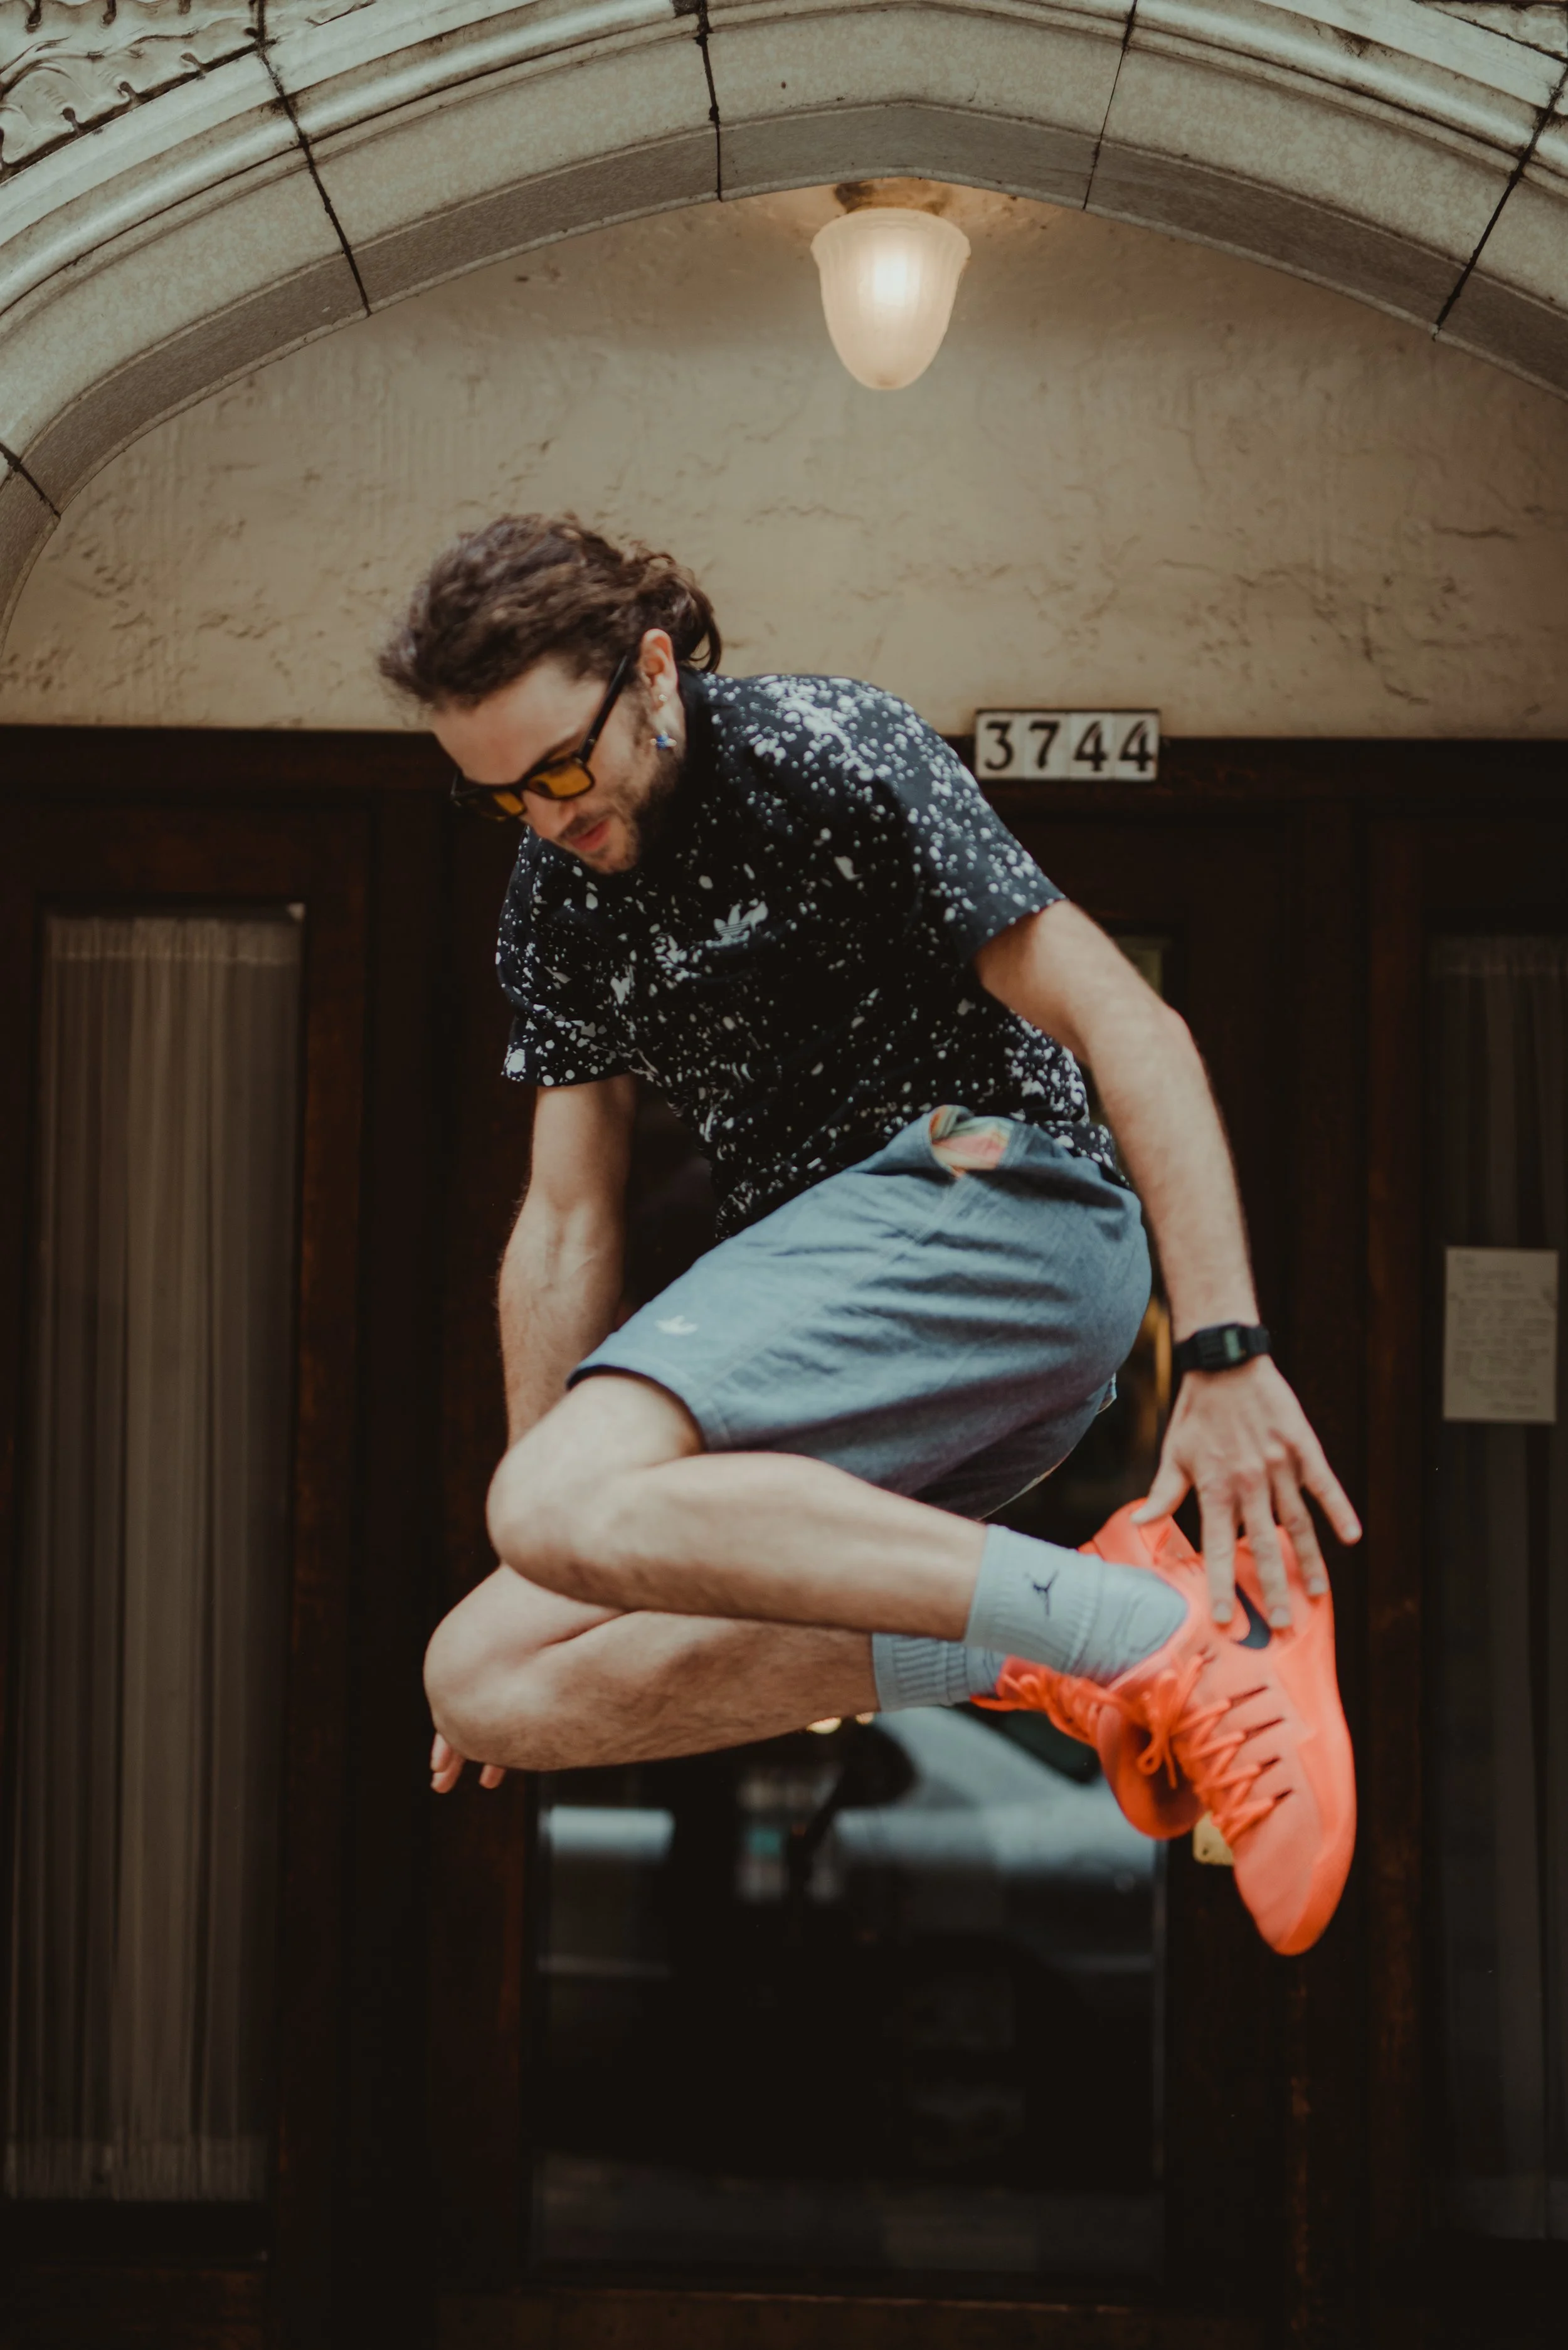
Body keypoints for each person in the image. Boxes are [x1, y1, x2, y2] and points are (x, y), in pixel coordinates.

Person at [380, 516, 1360, 1957]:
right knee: (485, 1675)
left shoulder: (825, 753)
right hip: (864, 1324)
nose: (545, 815)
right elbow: (565, 1216)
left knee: (545, 1507)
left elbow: (1126, 1022)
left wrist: (1220, 1348)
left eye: (561, 767)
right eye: (499, 799)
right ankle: (1058, 1647)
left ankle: (1147, 1632)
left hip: (995, 1197)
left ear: (650, 671)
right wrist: (568, 1547)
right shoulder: (559, 898)